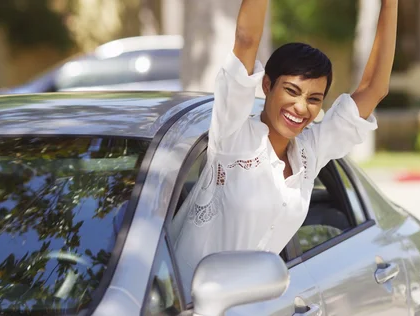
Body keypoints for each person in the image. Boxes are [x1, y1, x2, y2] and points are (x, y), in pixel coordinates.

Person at [170, 0, 398, 293]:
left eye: (314, 99)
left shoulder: (309, 152)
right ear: (267, 86)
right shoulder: (233, 136)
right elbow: (247, 39)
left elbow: (374, 89)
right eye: (291, 91)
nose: (301, 107)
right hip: (184, 304)